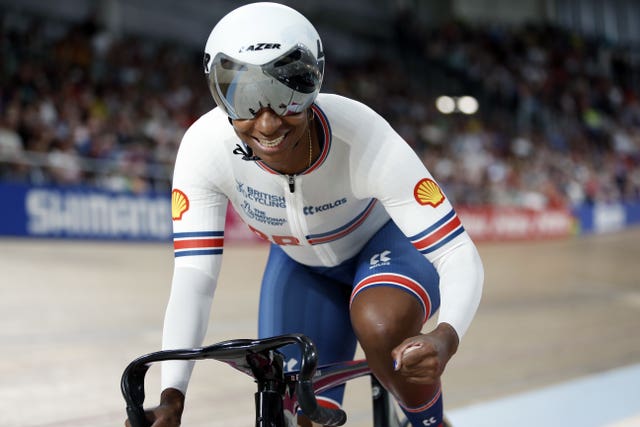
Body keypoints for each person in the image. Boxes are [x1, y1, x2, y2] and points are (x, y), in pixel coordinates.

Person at [127, 2, 484, 426]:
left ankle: (430, 422)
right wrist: (173, 395)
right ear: (217, 93)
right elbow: (194, 278)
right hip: (301, 265)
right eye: (242, 98)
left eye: (284, 95)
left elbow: (457, 254)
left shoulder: (364, 137)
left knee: (379, 322)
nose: (267, 122)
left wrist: (446, 336)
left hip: (385, 244)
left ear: (314, 83)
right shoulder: (205, 149)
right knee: (297, 411)